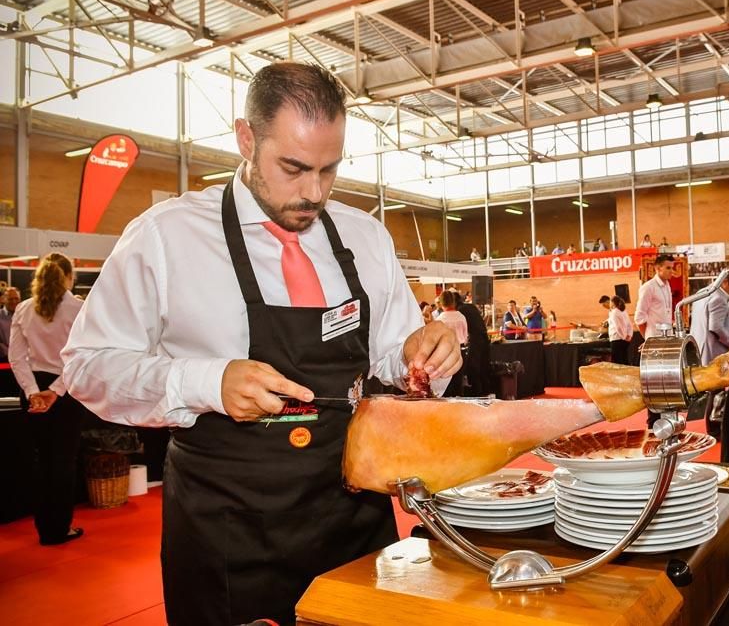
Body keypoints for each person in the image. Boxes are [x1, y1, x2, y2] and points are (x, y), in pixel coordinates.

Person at [61, 63, 461, 626]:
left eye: (330, 169)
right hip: (228, 527)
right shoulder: (166, 237)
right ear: (246, 138)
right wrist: (205, 381)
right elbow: (87, 366)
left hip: (352, 516)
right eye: (293, 168)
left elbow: (391, 355)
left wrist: (422, 351)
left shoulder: (365, 236)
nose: (313, 192)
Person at [9, 253, 85, 546]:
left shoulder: (25, 309)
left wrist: (32, 392)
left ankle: (44, 529)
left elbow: (17, 357)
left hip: (34, 390)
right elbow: (81, 356)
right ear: (68, 276)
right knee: (63, 461)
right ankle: (59, 528)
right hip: (63, 392)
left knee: (40, 460)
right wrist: (55, 390)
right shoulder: (78, 309)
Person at [689, 269, 729, 429]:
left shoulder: (703, 293)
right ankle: (714, 428)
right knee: (717, 391)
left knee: (712, 390)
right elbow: (716, 327)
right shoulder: (717, 298)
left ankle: (713, 426)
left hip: (700, 347)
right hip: (713, 350)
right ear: (725, 282)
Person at [456, 295, 491, 396]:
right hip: (484, 338)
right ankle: (485, 389)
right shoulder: (471, 306)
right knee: (483, 365)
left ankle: (477, 391)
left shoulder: (460, 310)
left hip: (475, 339)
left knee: (473, 366)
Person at [634, 254, 675, 338]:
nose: (671, 271)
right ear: (658, 268)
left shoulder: (667, 286)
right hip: (654, 338)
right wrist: (647, 339)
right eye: (668, 268)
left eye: (672, 268)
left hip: (668, 337)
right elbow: (639, 317)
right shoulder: (648, 287)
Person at [436, 291, 468, 397]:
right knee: (458, 381)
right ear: (453, 302)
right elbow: (465, 336)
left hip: (445, 352)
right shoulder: (461, 316)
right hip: (461, 350)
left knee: (446, 381)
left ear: (441, 303)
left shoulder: (440, 319)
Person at [607, 296, 633, 365]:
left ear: (612, 303)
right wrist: (629, 335)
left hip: (616, 338)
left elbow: (617, 327)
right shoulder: (623, 312)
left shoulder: (614, 313)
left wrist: (623, 337)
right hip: (625, 339)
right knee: (624, 359)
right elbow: (630, 325)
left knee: (617, 362)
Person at [0, 286, 21, 361]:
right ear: (3, 299)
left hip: (24, 360)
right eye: (10, 299)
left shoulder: (25, 316)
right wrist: (11, 354)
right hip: (4, 361)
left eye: (16, 298)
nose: (14, 301)